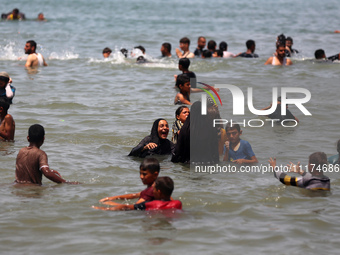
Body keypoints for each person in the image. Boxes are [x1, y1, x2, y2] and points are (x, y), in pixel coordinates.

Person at [92, 176, 182, 211]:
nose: (152, 191)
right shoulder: (177, 203)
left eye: (154, 189)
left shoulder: (151, 204)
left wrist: (104, 208)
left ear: (159, 192)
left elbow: (127, 207)